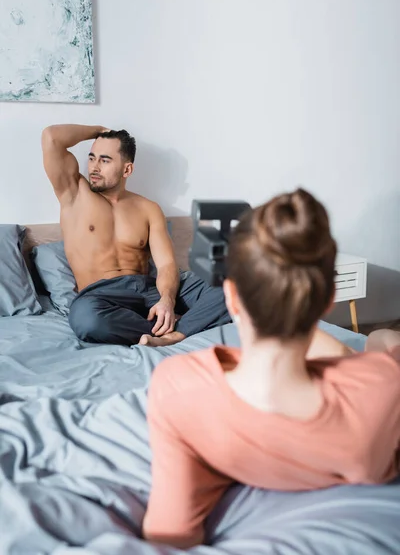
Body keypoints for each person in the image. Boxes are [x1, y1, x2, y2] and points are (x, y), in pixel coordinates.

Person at [143, 188, 400, 548]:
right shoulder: (384, 387)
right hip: (368, 377)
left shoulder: (176, 388)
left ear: (231, 297)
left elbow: (169, 530)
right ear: (327, 301)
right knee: (384, 342)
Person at [42, 124, 230, 347]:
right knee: (87, 320)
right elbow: (51, 137)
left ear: (127, 170)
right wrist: (98, 131)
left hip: (148, 289)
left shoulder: (148, 209)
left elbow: (167, 264)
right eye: (92, 158)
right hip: (101, 296)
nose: (94, 167)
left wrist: (167, 301)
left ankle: (176, 333)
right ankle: (176, 326)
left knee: (232, 280)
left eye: (105, 160)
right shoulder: (73, 194)